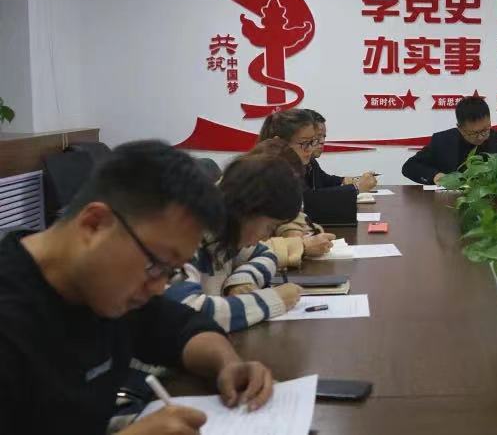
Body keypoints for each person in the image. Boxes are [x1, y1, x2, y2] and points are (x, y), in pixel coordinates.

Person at [0, 141, 274, 434]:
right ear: (95, 224)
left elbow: (180, 327)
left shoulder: (103, 290)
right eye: (156, 265)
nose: (158, 288)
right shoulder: (13, 317)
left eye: (171, 271)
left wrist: (227, 364)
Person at [164, 150, 306, 332]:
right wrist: (275, 300)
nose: (266, 237)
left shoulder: (226, 234)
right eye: (270, 227)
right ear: (247, 210)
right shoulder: (185, 236)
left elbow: (266, 254)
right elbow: (188, 313)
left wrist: (240, 280)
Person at [256, 110, 338, 252]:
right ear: (278, 143)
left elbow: (288, 214)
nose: (310, 149)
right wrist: (302, 246)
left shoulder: (287, 174)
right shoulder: (257, 177)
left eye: (313, 142)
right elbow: (244, 248)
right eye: (305, 143)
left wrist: (303, 232)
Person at [402, 96, 497, 185]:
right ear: (460, 128)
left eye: (485, 130)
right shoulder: (442, 141)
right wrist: (435, 176)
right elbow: (409, 166)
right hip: (450, 203)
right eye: (474, 133)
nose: (481, 137)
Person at [301, 109, 377, 193]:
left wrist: (351, 180)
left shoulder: (311, 162)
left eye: (324, 136)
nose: (322, 141)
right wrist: (357, 188)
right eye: (318, 136)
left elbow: (326, 180)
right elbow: (308, 197)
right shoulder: (291, 167)